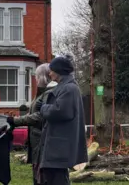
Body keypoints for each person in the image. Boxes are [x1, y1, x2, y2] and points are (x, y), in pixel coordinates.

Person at [36, 56, 88, 185]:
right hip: (58, 143)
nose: (50, 73)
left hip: (60, 145)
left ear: (59, 71)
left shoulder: (69, 88)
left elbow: (60, 111)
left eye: (52, 70)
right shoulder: (67, 87)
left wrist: (43, 108)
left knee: (57, 178)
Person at [6, 63, 57, 185]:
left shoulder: (49, 93)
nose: (35, 79)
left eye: (37, 76)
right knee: (37, 175)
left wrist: (16, 121)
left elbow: (40, 116)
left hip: (42, 140)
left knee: (42, 177)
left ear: (43, 77)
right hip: (36, 140)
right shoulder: (41, 93)